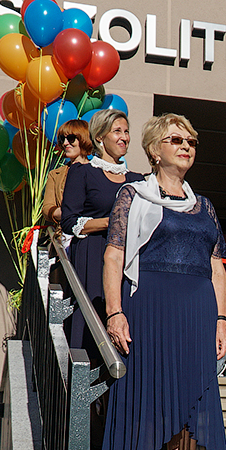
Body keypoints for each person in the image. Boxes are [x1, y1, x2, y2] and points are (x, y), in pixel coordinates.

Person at [98, 113, 226, 450]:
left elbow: (217, 266)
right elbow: (114, 255)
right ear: (154, 150)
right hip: (149, 309)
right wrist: (114, 312)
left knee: (189, 410)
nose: (186, 146)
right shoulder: (132, 195)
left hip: (197, 314)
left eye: (191, 140)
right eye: (176, 139)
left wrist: (221, 320)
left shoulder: (204, 205)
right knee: (148, 405)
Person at [61, 109, 142, 352]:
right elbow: (69, 221)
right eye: (117, 131)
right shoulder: (83, 172)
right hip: (93, 255)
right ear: (99, 137)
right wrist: (112, 222)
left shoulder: (137, 180)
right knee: (92, 328)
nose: (124, 137)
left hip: (127, 259)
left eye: (126, 132)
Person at [41, 119, 93, 245]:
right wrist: (67, 214)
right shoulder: (56, 174)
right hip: (65, 237)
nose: (65, 143)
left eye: (71, 138)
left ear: (83, 138)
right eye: (62, 139)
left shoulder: (98, 171)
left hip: (92, 236)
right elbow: (47, 208)